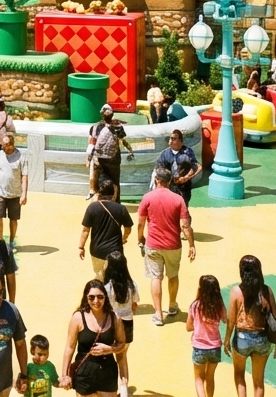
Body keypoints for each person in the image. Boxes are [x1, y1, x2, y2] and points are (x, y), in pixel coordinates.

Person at [137, 166, 195, 325]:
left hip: (153, 244)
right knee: (173, 275)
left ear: (157, 180)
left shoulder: (147, 197)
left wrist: (140, 238)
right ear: (169, 181)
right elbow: (185, 225)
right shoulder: (178, 199)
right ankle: (172, 305)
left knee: (156, 277)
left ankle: (158, 314)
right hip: (173, 245)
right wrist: (191, 244)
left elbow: (141, 223)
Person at [223, 254, 276, 397]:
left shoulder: (237, 291)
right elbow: (275, 318)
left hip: (242, 337)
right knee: (259, 381)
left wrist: (226, 340)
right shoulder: (267, 291)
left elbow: (231, 321)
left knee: (239, 375)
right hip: (263, 339)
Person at [59, 279, 127, 397]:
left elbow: (122, 345)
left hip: (107, 372)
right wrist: (64, 375)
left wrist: (110, 349)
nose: (96, 301)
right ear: (86, 298)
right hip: (85, 374)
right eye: (91, 297)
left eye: (100, 297)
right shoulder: (78, 318)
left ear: (105, 297)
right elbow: (69, 348)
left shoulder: (115, 318)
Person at [78, 178, 132, 278]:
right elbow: (128, 228)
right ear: (113, 193)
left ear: (99, 192)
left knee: (99, 276)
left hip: (97, 250)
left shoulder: (92, 207)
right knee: (115, 278)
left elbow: (85, 230)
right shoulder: (121, 209)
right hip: (115, 250)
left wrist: (81, 247)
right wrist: (124, 238)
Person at [103, 250, 138, 397]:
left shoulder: (107, 288)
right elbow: (134, 306)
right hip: (127, 323)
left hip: (111, 324)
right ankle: (124, 389)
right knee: (122, 357)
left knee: (109, 356)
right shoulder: (132, 285)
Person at [187, 274, 226, 397]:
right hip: (215, 347)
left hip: (199, 347)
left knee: (199, 379)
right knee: (210, 377)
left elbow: (188, 327)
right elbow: (225, 319)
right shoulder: (218, 306)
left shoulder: (195, 306)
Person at [0, 133, 28, 246]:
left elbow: (24, 176)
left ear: (11, 145)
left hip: (15, 194)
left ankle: (11, 241)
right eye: (2, 145)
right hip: (0, 192)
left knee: (13, 219)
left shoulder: (21, 157)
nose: (3, 147)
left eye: (5, 145)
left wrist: (24, 194)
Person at [87, 106, 134, 202]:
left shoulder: (95, 127)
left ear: (101, 115)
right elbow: (123, 141)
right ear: (112, 114)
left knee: (99, 181)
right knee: (115, 181)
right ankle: (116, 202)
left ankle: (100, 202)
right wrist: (130, 149)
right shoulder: (118, 127)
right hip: (113, 160)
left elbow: (91, 144)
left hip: (99, 159)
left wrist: (88, 159)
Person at [155, 130, 200, 204]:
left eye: (173, 139)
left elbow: (196, 166)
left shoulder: (187, 152)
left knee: (183, 208)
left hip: (184, 187)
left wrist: (186, 178)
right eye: (170, 138)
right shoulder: (165, 153)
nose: (170, 141)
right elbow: (159, 168)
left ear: (180, 141)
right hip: (170, 186)